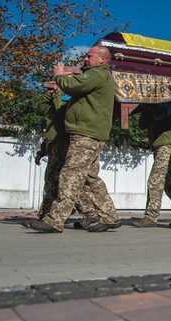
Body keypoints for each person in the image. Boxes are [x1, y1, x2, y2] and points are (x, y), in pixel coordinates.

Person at [29, 46, 121, 233]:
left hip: (86, 133)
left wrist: (60, 76)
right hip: (90, 133)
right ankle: (110, 216)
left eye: (90, 56)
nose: (85, 59)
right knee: (89, 177)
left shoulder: (98, 74)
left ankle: (55, 220)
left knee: (70, 175)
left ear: (103, 59)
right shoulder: (99, 75)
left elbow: (74, 86)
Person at [23, 85, 99, 229]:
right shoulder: (56, 97)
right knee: (57, 182)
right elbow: (40, 111)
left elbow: (61, 111)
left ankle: (86, 212)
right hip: (54, 143)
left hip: (65, 143)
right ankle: (49, 215)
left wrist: (59, 93)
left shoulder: (69, 96)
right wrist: (47, 95)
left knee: (64, 182)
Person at [132, 104, 171, 228]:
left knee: (155, 179)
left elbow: (159, 116)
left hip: (167, 145)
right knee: (169, 184)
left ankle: (151, 216)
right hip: (158, 145)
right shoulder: (150, 106)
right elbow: (141, 125)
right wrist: (145, 108)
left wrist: (152, 106)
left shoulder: (169, 104)